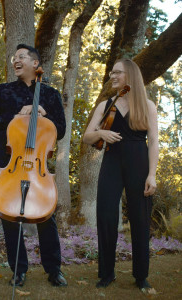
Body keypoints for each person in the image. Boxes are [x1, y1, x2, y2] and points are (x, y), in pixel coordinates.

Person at [0, 44, 67, 287]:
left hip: (36, 166)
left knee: (45, 215)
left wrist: (43, 114)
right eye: (14, 57)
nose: (15, 61)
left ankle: (54, 270)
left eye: (21, 57)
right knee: (9, 215)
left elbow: (59, 130)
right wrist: (17, 117)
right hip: (5, 161)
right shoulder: (3, 91)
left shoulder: (50, 95)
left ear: (35, 64)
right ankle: (18, 271)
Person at [83, 58, 159, 290]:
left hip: (139, 163)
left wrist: (152, 175)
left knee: (140, 220)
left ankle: (141, 276)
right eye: (111, 73)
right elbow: (87, 137)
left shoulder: (147, 105)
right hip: (111, 162)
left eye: (117, 72)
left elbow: (154, 141)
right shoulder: (106, 104)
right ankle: (106, 274)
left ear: (131, 76)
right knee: (106, 216)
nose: (112, 76)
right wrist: (102, 134)